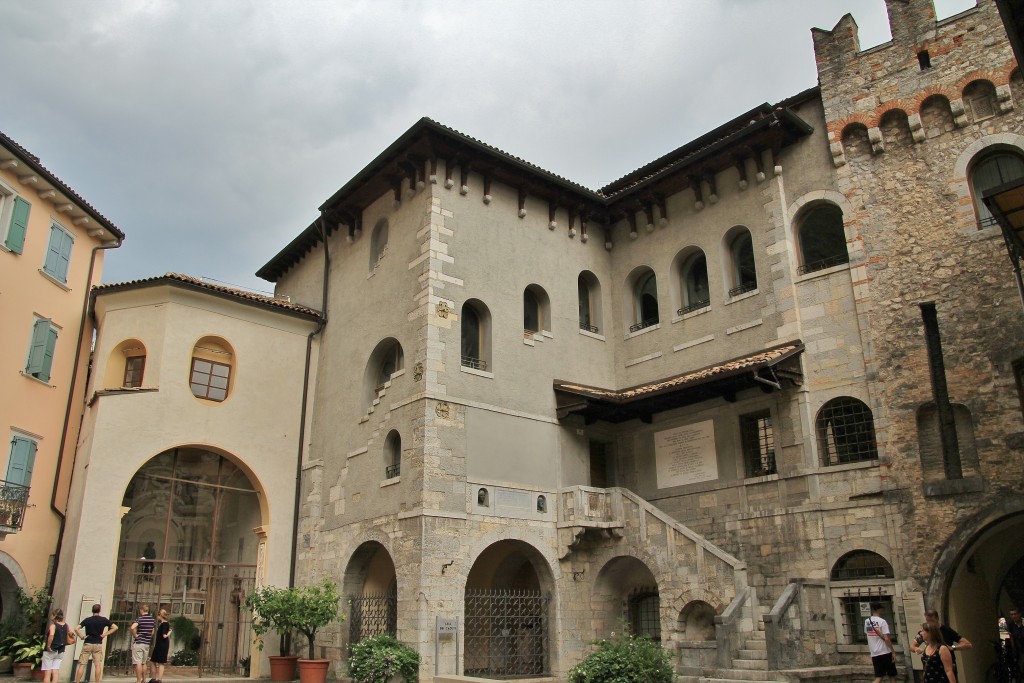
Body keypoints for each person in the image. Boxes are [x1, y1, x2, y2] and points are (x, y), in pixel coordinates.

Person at [911, 608, 971, 677]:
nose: (931, 624)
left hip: (946, 665)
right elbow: (912, 646)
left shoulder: (947, 631)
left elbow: (967, 644)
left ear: (937, 619)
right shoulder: (924, 632)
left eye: (932, 621)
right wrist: (916, 649)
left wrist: (953, 648)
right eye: (928, 621)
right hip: (931, 668)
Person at [75, 603, 118, 683]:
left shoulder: (87, 620)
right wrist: (105, 634)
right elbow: (115, 627)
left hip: (88, 643)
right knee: (97, 665)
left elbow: (76, 628)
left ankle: (77, 681)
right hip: (98, 643)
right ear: (99, 610)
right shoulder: (103, 620)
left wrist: (82, 636)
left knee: (82, 664)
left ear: (92, 610)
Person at [865, 602, 898, 683]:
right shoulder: (882, 621)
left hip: (874, 653)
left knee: (878, 677)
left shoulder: (867, 621)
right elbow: (886, 638)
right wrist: (893, 651)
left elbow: (867, 633)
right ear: (878, 609)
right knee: (892, 676)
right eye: (881, 608)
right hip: (885, 651)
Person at [129, 604, 156, 683]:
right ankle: (144, 680)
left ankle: (138, 681)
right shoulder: (152, 620)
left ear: (141, 610)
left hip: (139, 642)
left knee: (138, 662)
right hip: (147, 643)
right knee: (144, 663)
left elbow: (132, 627)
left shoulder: (140, 618)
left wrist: (135, 635)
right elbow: (152, 632)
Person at [42, 609, 69, 683]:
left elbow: (51, 635)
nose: (51, 616)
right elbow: (70, 633)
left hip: (51, 650)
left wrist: (48, 646)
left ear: (55, 616)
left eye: (52, 614)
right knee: (55, 671)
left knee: (47, 672)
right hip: (61, 650)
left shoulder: (53, 626)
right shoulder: (66, 625)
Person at [147, 609, 172, 683]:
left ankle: (158, 679)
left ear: (160, 615)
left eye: (158, 616)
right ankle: (154, 678)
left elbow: (164, 635)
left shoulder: (165, 624)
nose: (157, 617)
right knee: (153, 661)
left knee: (160, 662)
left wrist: (169, 632)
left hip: (162, 645)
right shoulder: (162, 624)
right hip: (160, 644)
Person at [1008, 608, 1024, 675]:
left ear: (1019, 614)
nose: (1013, 616)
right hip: (1019, 648)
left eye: (1015, 614)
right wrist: (1013, 649)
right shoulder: (1011, 625)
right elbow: (1011, 637)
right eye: (1011, 614)